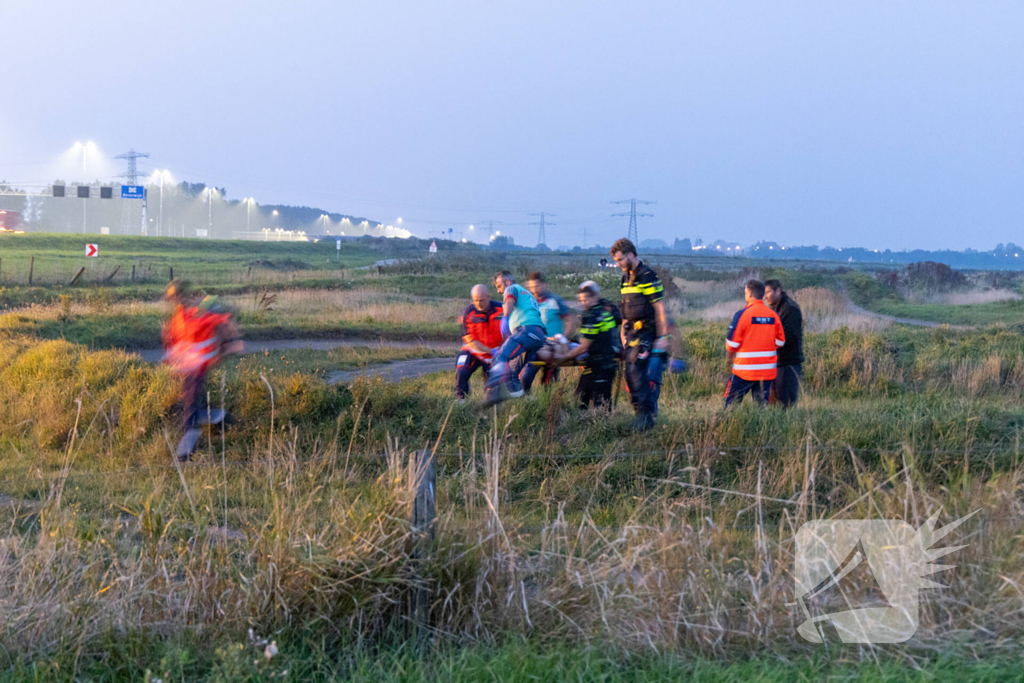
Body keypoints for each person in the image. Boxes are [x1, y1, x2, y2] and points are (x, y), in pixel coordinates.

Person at [162, 282, 242, 461]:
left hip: (198, 367)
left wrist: (233, 342)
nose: (176, 301)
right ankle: (220, 418)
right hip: (186, 367)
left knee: (189, 408)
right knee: (188, 404)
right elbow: (176, 338)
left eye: (177, 297)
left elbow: (223, 319)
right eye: (174, 298)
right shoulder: (180, 316)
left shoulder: (200, 315)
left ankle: (186, 452)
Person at [610, 238, 670, 432]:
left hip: (647, 333)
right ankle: (642, 416)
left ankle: (645, 418)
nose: (618, 264)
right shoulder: (625, 278)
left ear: (630, 255)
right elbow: (626, 309)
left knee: (637, 372)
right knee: (631, 375)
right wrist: (622, 333)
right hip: (631, 335)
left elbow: (659, 308)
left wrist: (662, 338)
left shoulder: (647, 276)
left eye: (620, 260)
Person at [483, 271, 546, 407]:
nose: (499, 291)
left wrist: (506, 316)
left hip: (526, 331)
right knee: (512, 373)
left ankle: (492, 397)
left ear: (508, 282)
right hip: (537, 336)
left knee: (500, 357)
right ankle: (525, 406)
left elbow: (509, 300)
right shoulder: (526, 294)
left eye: (499, 286)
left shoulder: (511, 288)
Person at [724, 279, 785, 407]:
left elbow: (731, 345)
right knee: (761, 408)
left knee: (731, 406)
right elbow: (780, 342)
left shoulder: (742, 314)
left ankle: (729, 425)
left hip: (744, 370)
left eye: (746, 292)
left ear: (750, 294)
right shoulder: (773, 315)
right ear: (762, 294)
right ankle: (762, 427)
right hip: (767, 371)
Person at [560, 281, 618, 410]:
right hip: (606, 362)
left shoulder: (592, 317)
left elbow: (583, 347)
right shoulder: (604, 313)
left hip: (600, 364)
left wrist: (564, 357)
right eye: (581, 300)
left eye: (586, 300)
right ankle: (584, 425)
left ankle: (600, 428)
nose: (583, 303)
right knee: (583, 396)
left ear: (594, 298)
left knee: (596, 403)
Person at [520, 271, 573, 392]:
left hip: (553, 347)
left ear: (544, 285)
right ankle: (528, 403)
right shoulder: (529, 302)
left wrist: (564, 338)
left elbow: (570, 319)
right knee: (525, 378)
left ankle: (551, 407)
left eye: (537, 286)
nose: (534, 289)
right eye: (531, 287)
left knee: (550, 384)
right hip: (536, 346)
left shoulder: (555, 300)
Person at [456, 284, 504, 401]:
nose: (478, 304)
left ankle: (489, 409)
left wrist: (500, 351)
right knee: (461, 371)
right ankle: (461, 402)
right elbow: (469, 339)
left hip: (495, 353)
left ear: (488, 297)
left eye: (481, 300)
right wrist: (489, 350)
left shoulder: (501, 309)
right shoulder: (469, 312)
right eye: (475, 301)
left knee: (492, 389)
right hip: (473, 350)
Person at [763, 279, 804, 408]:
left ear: (778, 291)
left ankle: (789, 427)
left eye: (768, 292)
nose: (765, 296)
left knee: (785, 405)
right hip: (778, 362)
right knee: (773, 403)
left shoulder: (789, 308)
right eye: (764, 293)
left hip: (788, 363)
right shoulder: (777, 308)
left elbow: (787, 336)